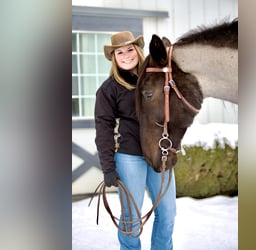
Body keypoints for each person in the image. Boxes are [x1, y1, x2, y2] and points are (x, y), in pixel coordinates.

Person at [94, 31, 176, 250]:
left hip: (159, 155)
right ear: (113, 57)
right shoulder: (108, 90)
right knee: (131, 218)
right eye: (119, 52)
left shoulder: (157, 79)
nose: (126, 55)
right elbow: (103, 130)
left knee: (167, 213)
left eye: (130, 49)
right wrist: (108, 168)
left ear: (138, 50)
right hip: (129, 157)